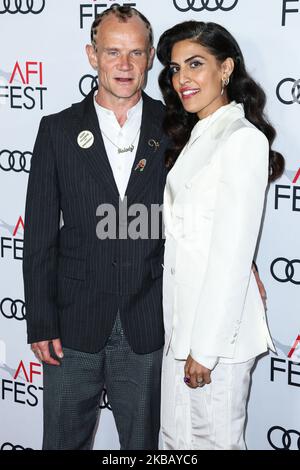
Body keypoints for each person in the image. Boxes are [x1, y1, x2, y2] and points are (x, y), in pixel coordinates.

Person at [23, 6, 168, 450]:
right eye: (112, 52)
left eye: (136, 53)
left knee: (142, 446)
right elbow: (40, 235)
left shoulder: (177, 127)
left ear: (150, 58)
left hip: (148, 321)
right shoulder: (57, 130)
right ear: (92, 55)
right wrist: (41, 321)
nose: (124, 65)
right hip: (72, 323)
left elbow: (202, 217)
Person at [157, 21, 284, 450]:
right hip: (182, 329)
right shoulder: (198, 133)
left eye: (196, 64)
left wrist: (205, 350)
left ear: (226, 68)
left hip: (215, 343)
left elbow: (231, 255)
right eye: (175, 69)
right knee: (177, 444)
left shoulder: (241, 139)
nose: (182, 80)